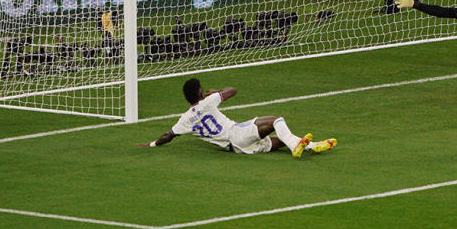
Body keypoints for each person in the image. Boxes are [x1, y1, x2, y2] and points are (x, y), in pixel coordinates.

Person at [138, 78, 337, 158]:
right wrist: (215, 92)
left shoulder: (184, 120)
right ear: (200, 93)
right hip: (237, 133)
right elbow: (232, 90)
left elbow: (169, 135)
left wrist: (152, 144)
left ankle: (311, 146)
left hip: (237, 148)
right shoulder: (208, 102)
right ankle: (297, 147)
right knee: (276, 120)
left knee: (279, 141)